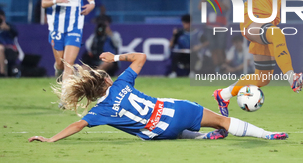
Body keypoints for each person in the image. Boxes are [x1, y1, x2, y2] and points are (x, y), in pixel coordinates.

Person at [28, 51, 288, 143]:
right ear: (106, 79)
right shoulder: (122, 83)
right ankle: (266, 134)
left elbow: (78, 124)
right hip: (176, 112)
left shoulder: (99, 111)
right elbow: (141, 57)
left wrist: (51, 138)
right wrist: (116, 58)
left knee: (149, 128)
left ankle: (201, 136)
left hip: (159, 133)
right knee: (221, 119)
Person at [32, 0, 95, 91]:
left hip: (75, 26)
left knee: (69, 63)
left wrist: (91, 4)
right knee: (60, 64)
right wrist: (57, 0)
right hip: (56, 28)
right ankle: (58, 69)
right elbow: (44, 3)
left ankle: (65, 96)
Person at [0, 9, 19, 77]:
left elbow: (16, 33)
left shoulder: (8, 25)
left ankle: (2, 73)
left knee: (0, 48)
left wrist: (8, 28)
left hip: (9, 48)